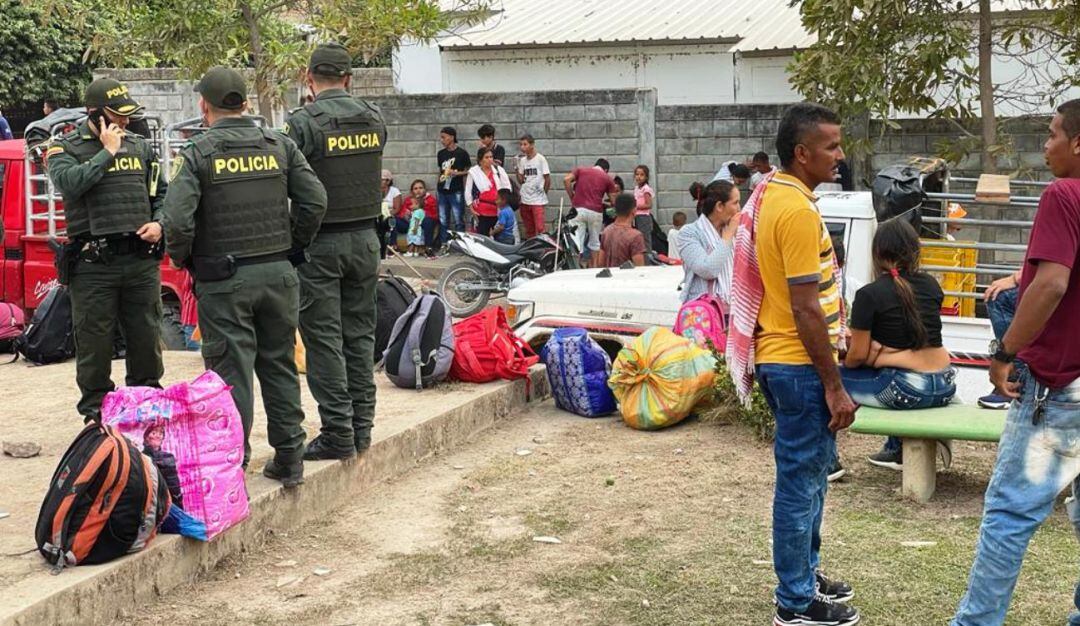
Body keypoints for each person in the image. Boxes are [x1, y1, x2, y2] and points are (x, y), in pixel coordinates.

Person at [163, 66, 327, 487]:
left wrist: (184, 262)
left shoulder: (198, 153)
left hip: (224, 280)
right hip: (279, 274)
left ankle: (233, 465)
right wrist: (293, 246)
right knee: (279, 364)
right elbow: (315, 201)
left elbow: (177, 222)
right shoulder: (279, 144)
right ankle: (290, 457)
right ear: (245, 103)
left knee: (230, 372)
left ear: (204, 105)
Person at [728, 103, 859, 626]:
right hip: (800, 365)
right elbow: (806, 306)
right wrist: (834, 385)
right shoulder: (798, 211)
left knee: (812, 479)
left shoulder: (775, 194)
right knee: (800, 485)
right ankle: (795, 603)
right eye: (831, 146)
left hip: (784, 360)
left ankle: (805, 571)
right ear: (802, 154)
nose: (840, 155)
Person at [951, 99, 1080, 626]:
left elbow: (1052, 283)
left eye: (1052, 134)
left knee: (1009, 514)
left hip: (1059, 387)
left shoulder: (1064, 194)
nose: (1045, 146)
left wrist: (1004, 354)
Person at [283, 43, 387, 461]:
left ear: (309, 78)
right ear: (348, 78)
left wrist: (297, 240)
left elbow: (294, 187)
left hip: (321, 244)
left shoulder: (303, 123)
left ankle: (338, 432)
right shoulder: (374, 118)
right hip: (366, 240)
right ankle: (362, 428)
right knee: (360, 336)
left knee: (324, 340)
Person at [46, 78, 167, 423]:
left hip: (140, 261)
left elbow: (161, 193)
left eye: (128, 117)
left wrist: (159, 223)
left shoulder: (141, 147)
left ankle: (146, 404)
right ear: (94, 113)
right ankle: (97, 414)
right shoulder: (64, 148)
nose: (125, 123)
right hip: (93, 264)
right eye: (118, 116)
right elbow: (70, 183)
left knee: (146, 335)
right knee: (94, 341)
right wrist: (107, 151)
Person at [840, 219, 957, 469]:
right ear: (915, 251)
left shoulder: (868, 295)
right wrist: (884, 354)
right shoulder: (931, 285)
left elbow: (857, 356)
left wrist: (874, 356)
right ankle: (896, 450)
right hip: (946, 386)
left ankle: (827, 462)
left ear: (877, 252)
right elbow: (919, 335)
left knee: (825, 379)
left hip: (909, 390)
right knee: (889, 373)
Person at [678, 180, 738, 305]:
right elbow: (707, 270)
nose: (739, 208)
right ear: (720, 206)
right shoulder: (689, 233)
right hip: (706, 314)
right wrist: (728, 236)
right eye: (735, 203)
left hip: (736, 312)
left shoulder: (736, 230)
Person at [564, 158, 619, 268]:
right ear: (606, 170)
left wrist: (572, 197)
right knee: (595, 242)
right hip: (596, 212)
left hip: (578, 210)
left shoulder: (581, 170)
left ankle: (576, 268)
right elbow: (614, 201)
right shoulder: (607, 178)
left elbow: (566, 180)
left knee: (577, 242)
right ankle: (594, 268)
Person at [465, 146, 512, 238]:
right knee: (482, 238)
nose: (490, 159)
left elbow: (507, 188)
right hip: (480, 212)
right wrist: (471, 209)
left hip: (497, 211)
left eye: (491, 157)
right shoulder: (473, 172)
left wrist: (503, 205)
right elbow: (468, 191)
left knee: (498, 237)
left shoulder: (499, 170)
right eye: (487, 157)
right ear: (480, 159)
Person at [436, 126, 470, 246]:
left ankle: (460, 245)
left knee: (458, 219)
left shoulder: (462, 153)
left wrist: (456, 173)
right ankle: (444, 244)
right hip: (442, 190)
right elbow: (440, 170)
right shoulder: (441, 154)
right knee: (443, 219)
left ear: (451, 137)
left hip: (456, 190)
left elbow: (468, 171)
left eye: (443, 137)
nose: (442, 140)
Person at [597, 193, 647, 268]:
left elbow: (600, 263)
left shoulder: (606, 231)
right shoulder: (635, 236)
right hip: (627, 278)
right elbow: (639, 268)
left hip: (609, 278)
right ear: (634, 210)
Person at [516, 134, 550, 238]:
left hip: (537, 199)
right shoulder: (522, 161)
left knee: (540, 228)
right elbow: (521, 180)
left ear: (532, 145)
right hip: (525, 198)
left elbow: (547, 178)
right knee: (529, 228)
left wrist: (543, 193)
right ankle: (531, 249)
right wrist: (516, 168)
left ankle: (541, 248)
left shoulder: (540, 159)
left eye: (525, 144)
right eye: (521, 145)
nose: (522, 147)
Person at [143, 424, 183, 508]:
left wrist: (178, 504)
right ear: (146, 437)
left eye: (161, 433)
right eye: (154, 433)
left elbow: (174, 486)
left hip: (168, 504)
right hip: (148, 504)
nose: (158, 436)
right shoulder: (140, 457)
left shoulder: (168, 457)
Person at [402, 179, 438, 257]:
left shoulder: (430, 200)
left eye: (420, 188)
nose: (418, 190)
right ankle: (392, 246)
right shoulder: (409, 200)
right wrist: (407, 214)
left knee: (427, 221)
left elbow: (434, 215)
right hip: (411, 222)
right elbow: (403, 213)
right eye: (415, 188)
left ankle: (428, 247)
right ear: (412, 191)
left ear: (425, 189)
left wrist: (420, 211)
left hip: (424, 223)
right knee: (395, 221)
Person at [633, 165, 654, 252]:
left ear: (646, 177)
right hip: (637, 217)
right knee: (639, 240)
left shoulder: (646, 189)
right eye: (637, 174)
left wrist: (635, 206)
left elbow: (649, 205)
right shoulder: (637, 188)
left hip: (644, 217)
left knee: (645, 240)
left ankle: (648, 260)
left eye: (642, 175)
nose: (639, 177)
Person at [382, 169, 404, 248]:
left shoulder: (394, 191)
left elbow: (397, 209)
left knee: (391, 221)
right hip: (380, 217)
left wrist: (386, 215)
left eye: (382, 180)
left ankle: (393, 245)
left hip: (395, 217)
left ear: (388, 181)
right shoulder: (375, 191)